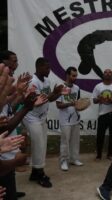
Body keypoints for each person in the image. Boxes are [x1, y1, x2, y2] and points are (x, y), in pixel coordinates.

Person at [23, 57, 63, 188]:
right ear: (39, 67)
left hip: (41, 118)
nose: (49, 70)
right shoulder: (32, 82)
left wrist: (58, 93)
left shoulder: (46, 81)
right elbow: (38, 101)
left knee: (41, 145)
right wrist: (54, 93)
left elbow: (49, 99)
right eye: (47, 67)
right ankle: (40, 174)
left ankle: (35, 172)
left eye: (49, 67)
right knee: (39, 144)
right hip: (31, 117)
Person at [92, 69, 112, 160]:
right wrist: (99, 99)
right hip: (102, 114)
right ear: (103, 75)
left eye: (109, 72)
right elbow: (94, 100)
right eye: (105, 72)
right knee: (100, 135)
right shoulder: (98, 86)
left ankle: (110, 154)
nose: (107, 73)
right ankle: (99, 154)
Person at [56, 67, 83, 171]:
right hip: (65, 120)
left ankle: (74, 159)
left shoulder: (77, 88)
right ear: (67, 75)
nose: (75, 78)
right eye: (73, 75)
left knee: (75, 141)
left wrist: (82, 106)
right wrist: (70, 103)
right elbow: (58, 105)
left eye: (76, 75)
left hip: (75, 118)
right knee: (65, 141)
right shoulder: (60, 87)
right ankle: (63, 161)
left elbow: (78, 102)